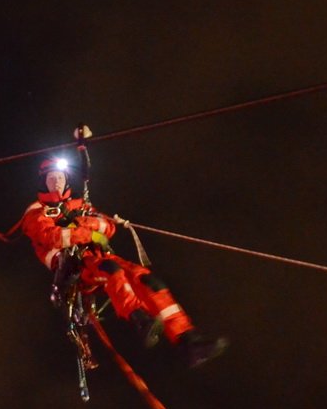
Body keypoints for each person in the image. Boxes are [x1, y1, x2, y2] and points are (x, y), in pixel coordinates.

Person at [21, 157, 227, 367]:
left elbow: (107, 227)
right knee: (112, 271)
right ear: (43, 181)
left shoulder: (80, 205)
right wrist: (88, 234)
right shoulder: (36, 211)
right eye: (51, 177)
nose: (56, 182)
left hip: (99, 257)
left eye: (60, 177)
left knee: (150, 281)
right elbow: (52, 236)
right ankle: (139, 319)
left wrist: (81, 224)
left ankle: (187, 340)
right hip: (74, 266)